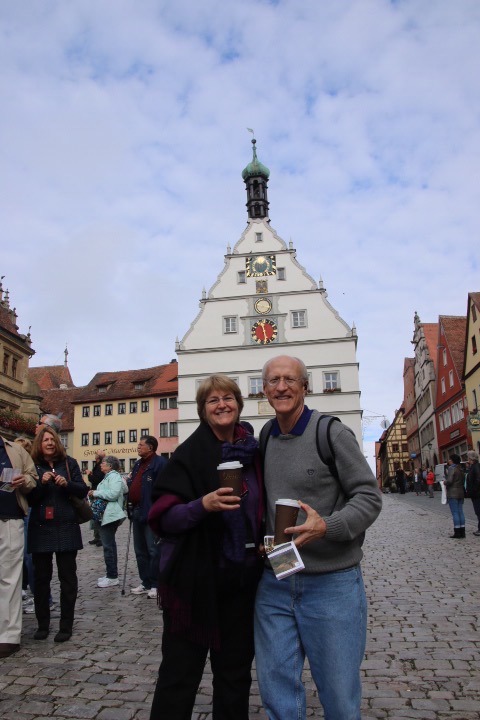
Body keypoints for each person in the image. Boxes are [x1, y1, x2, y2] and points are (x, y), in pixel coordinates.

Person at [254, 355, 382, 720]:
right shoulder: (266, 436)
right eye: (274, 380)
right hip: (277, 581)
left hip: (332, 583)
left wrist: (327, 526)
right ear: (264, 390)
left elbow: (369, 497)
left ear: (305, 387)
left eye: (290, 380)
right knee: (276, 692)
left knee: (339, 696)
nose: (281, 387)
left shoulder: (331, 433)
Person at [147, 375, 264, 720]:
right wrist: (202, 505)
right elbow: (163, 518)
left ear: (239, 404)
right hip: (194, 581)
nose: (222, 405)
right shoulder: (189, 454)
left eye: (228, 398)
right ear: (202, 410)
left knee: (234, 676)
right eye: (213, 400)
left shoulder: (254, 453)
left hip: (242, 581)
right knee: (180, 675)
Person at [28, 426, 88, 642]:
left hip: (66, 526)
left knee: (68, 578)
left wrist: (67, 484)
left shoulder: (69, 463)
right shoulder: (32, 465)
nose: (50, 443)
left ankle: (66, 625)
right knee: (41, 579)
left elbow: (82, 489)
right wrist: (42, 484)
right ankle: (42, 624)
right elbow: (30, 498)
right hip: (41, 527)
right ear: (39, 443)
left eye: (53, 439)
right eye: (46, 440)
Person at [0, 435, 37, 658]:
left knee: (10, 578)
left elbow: (33, 478)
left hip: (9, 518)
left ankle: (9, 636)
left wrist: (24, 481)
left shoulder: (15, 450)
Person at [128, 435, 166, 599]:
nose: (138, 447)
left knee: (153, 549)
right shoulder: (138, 464)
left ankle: (156, 584)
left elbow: (164, 489)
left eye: (141, 445)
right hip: (136, 510)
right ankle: (146, 582)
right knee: (140, 550)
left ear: (150, 447)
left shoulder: (160, 463)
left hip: (151, 512)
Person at [88, 455, 127, 587]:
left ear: (110, 466)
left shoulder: (114, 476)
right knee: (109, 545)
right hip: (106, 515)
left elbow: (113, 494)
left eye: (103, 463)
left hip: (109, 515)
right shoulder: (110, 477)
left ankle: (112, 576)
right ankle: (111, 574)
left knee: (108, 546)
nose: (101, 464)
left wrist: (96, 493)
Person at [86, 451, 106, 546]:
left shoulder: (99, 466)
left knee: (97, 515)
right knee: (96, 516)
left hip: (97, 492)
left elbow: (96, 479)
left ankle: (100, 537)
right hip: (97, 492)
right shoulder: (99, 465)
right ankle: (97, 537)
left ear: (97, 457)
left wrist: (89, 474)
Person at [444, 453, 465, 539]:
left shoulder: (451, 468)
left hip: (453, 493)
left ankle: (457, 531)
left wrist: (444, 482)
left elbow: (449, 481)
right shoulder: (460, 468)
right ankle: (462, 531)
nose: (448, 461)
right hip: (460, 492)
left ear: (452, 460)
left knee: (455, 512)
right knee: (460, 512)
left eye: (449, 459)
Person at [466, 450, 480, 536]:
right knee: (478, 511)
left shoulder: (476, 467)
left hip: (477, 493)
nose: (467, 459)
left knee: (478, 511)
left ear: (471, 458)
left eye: (468, 457)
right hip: (475, 493)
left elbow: (478, 480)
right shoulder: (473, 466)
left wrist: (473, 490)